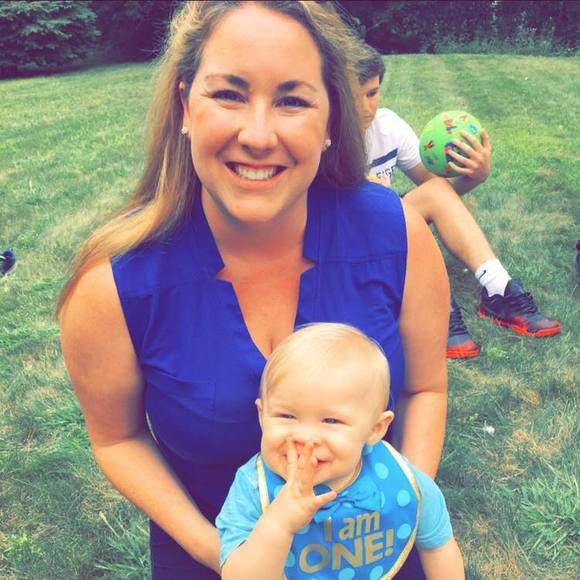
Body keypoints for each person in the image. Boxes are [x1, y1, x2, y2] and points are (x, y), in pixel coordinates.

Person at [58, 2, 448, 578]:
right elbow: (117, 439)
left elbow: (424, 389)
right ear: (184, 106)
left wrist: (400, 517)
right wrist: (224, 553)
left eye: (292, 100)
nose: (259, 135)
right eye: (229, 94)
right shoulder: (111, 285)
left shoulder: (399, 235)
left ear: (331, 119)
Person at [217, 323, 465, 579]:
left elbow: (438, 547)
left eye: (331, 420)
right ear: (262, 415)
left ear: (375, 429)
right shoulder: (255, 488)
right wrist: (278, 523)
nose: (306, 438)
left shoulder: (400, 480)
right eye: (287, 416)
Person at [357, 48, 561, 359]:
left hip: (385, 221)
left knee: (436, 190)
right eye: (352, 95)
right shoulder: (320, 135)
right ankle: (432, 304)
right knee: (383, 210)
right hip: (344, 239)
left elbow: (439, 191)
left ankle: (497, 289)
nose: (365, 107)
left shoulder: (388, 127)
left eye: (372, 93)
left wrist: (474, 176)